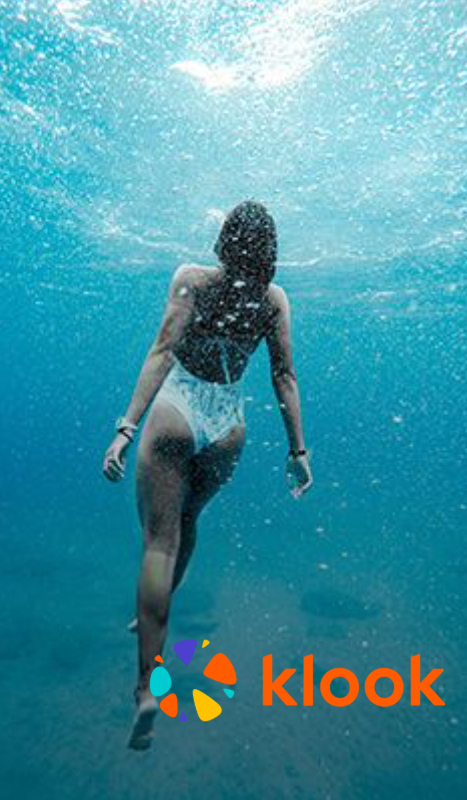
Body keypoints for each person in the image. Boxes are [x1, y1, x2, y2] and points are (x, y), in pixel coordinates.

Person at [103, 201, 313, 750]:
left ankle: (147, 685)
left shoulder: (191, 281)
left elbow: (162, 351)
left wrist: (126, 427)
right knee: (189, 520)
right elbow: (284, 376)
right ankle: (160, 604)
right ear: (270, 252)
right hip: (228, 426)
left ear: (223, 241)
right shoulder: (273, 301)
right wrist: (298, 450)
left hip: (177, 409)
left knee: (157, 542)